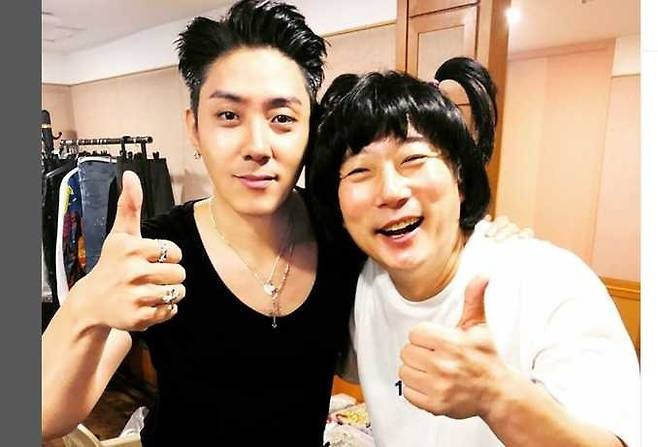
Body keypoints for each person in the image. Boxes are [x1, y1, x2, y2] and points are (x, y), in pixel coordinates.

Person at [41, 2, 522, 444]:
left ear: (310, 127)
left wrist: (488, 244)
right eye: (228, 115)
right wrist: (86, 308)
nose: (257, 145)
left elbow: (422, 270)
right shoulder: (160, 249)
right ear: (195, 128)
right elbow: (44, 418)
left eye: (282, 118)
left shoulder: (340, 231)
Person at [307, 57, 639, 447]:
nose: (391, 192)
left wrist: (495, 396)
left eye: (413, 159)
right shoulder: (359, 286)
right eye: (360, 171)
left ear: (459, 178)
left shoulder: (550, 281)